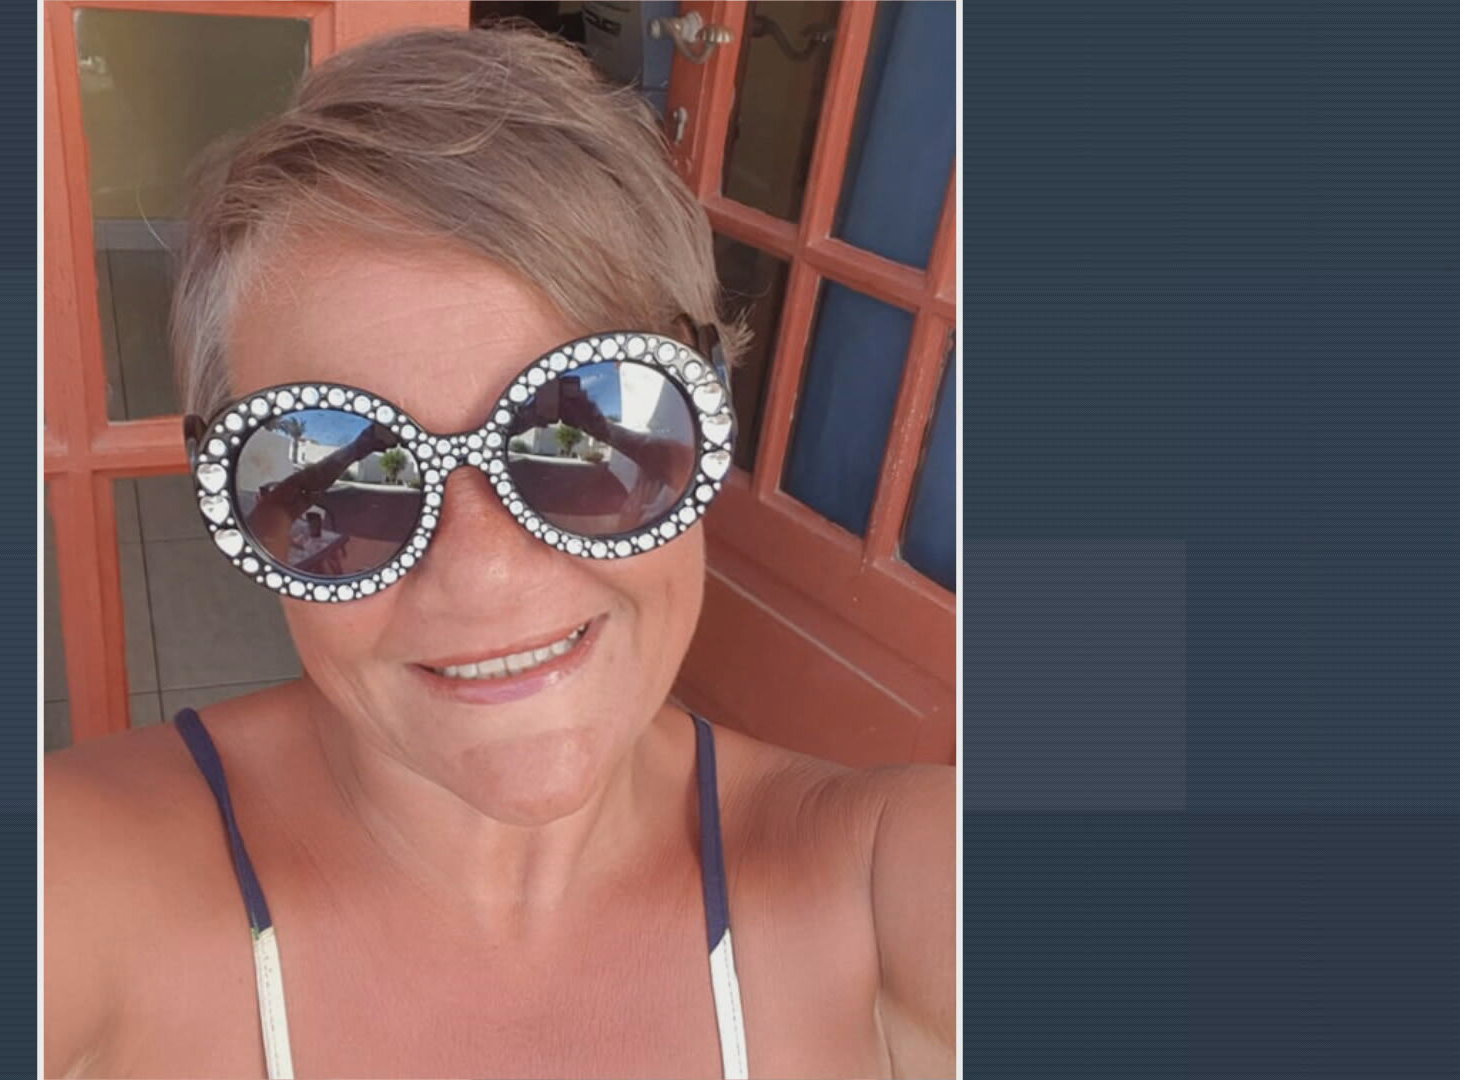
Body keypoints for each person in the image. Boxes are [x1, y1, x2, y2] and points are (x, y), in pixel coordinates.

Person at [46, 26, 953, 1080]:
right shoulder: (79, 879)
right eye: (342, 471)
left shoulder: (892, 882)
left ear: (708, 408)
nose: (485, 573)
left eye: (589, 435)